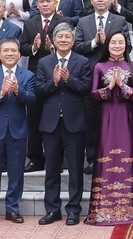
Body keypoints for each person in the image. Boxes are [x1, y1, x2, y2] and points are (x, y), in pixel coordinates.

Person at [36, 23, 93, 226]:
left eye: (67, 37)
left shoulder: (83, 61)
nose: (63, 40)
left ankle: (73, 210)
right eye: (59, 37)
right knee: (51, 169)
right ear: (53, 39)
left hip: (74, 122)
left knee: (76, 170)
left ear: (73, 40)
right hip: (51, 123)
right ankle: (52, 210)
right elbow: (39, 92)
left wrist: (69, 80)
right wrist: (53, 81)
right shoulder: (44, 62)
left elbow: (87, 89)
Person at [85, 30, 133, 226]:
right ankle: (102, 211)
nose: (117, 46)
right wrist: (110, 88)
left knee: (126, 158)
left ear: (126, 46)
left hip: (125, 118)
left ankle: (129, 210)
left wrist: (123, 87)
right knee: (106, 157)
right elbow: (93, 94)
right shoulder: (99, 66)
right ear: (107, 45)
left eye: (121, 43)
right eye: (113, 43)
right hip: (106, 117)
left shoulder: (132, 66)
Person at [0, 37, 36, 225]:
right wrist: (2, 93)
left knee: (16, 171)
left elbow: (32, 101)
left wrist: (19, 91)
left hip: (18, 130)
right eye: (6, 51)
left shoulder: (27, 76)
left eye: (13, 50)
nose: (10, 54)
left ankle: (13, 208)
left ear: (19, 54)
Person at [74, 0, 128, 171]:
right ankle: (92, 159)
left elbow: (126, 45)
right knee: (92, 119)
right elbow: (78, 47)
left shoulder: (120, 20)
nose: (100, 0)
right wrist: (95, 42)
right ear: (91, 0)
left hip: (117, 77)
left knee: (115, 119)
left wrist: (109, 44)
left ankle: (116, 156)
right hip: (91, 77)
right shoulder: (83, 22)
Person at [19, 0, 68, 172]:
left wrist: (53, 48)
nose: (45, 4)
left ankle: (58, 158)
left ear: (55, 3)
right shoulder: (30, 24)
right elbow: (22, 47)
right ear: (37, 4)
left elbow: (70, 45)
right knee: (34, 116)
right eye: (42, 2)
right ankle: (35, 157)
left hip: (58, 73)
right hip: (35, 75)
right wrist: (34, 47)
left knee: (59, 117)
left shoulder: (64, 22)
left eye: (49, 1)